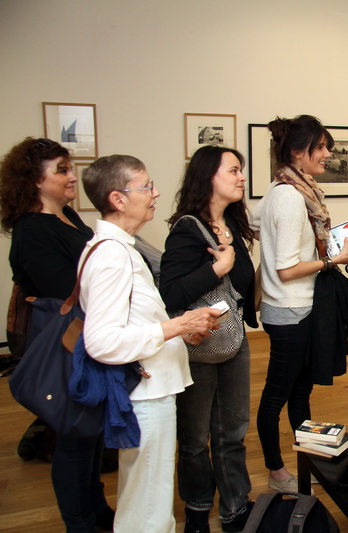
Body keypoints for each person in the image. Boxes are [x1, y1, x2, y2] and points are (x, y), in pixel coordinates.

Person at [79, 155, 220, 533]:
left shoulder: (121, 247)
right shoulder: (111, 256)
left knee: (145, 496)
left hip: (150, 388)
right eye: (146, 186)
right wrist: (178, 325)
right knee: (148, 505)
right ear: (118, 199)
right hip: (143, 393)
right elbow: (101, 341)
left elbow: (135, 321)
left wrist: (181, 331)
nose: (156, 193)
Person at [0, 137, 113, 532]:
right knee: (73, 434)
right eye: (62, 170)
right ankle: (79, 522)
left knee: (91, 431)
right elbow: (67, 290)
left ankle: (97, 508)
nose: (72, 176)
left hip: (87, 335)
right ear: (35, 180)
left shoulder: (68, 216)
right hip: (63, 342)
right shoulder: (32, 229)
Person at [256, 115, 348, 493]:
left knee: (300, 392)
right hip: (289, 311)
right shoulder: (289, 197)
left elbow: (261, 230)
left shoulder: (286, 189)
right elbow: (286, 270)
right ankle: (276, 471)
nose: (328, 154)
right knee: (276, 397)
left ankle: (308, 459)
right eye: (321, 147)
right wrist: (333, 261)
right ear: (299, 152)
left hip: (295, 308)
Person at [159, 146, 257, 533]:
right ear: (209, 177)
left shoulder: (232, 224)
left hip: (234, 338)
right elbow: (171, 293)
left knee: (233, 431)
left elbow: (241, 285)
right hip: (197, 343)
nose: (241, 177)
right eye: (233, 170)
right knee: (195, 437)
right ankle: (198, 510)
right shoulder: (187, 230)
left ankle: (236, 507)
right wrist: (218, 267)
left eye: (240, 170)